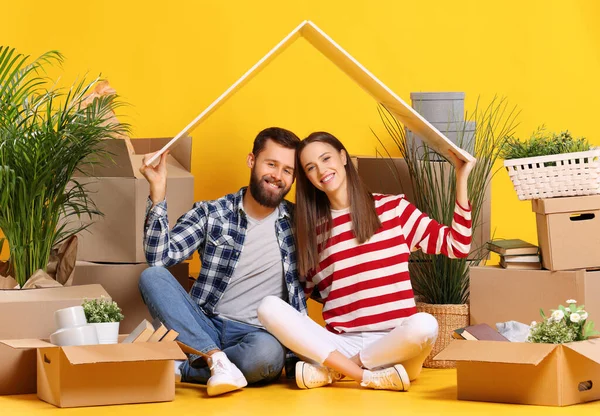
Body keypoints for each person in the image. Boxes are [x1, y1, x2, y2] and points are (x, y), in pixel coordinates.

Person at [257, 131, 475, 391]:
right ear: (308, 179)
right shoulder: (312, 234)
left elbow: (457, 245)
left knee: (425, 324)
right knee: (269, 307)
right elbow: (298, 299)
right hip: (340, 345)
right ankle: (364, 377)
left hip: (397, 347)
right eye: (311, 168)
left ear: (342, 157)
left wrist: (462, 176)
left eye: (326, 159)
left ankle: (337, 373)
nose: (322, 171)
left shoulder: (394, 210)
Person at [138, 127, 307, 396]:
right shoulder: (212, 212)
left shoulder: (300, 224)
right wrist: (157, 191)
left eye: (287, 170)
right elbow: (159, 257)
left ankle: (188, 369)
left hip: (257, 335)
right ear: (252, 161)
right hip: (206, 324)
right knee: (152, 276)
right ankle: (215, 358)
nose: (278, 176)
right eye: (271, 164)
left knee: (267, 356)